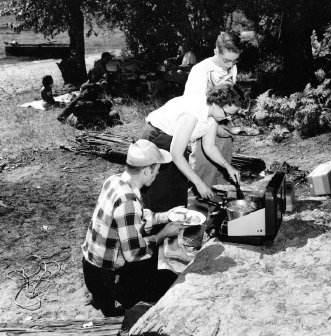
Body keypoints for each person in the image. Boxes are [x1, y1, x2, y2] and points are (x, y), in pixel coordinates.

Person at [141, 83, 243, 262]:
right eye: (228, 113)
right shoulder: (192, 115)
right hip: (158, 139)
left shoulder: (212, 114)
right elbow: (175, 154)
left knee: (178, 199)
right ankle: (154, 254)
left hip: (175, 143)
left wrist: (228, 166)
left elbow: (209, 146)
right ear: (216, 103)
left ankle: (172, 248)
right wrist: (199, 183)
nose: (230, 117)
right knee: (160, 199)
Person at [82, 139, 184, 317]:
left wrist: (167, 216)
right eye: (157, 171)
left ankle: (105, 296)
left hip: (92, 266)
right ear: (147, 170)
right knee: (168, 282)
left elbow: (137, 218)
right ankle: (112, 303)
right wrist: (165, 233)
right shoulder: (128, 200)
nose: (157, 175)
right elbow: (134, 253)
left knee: (154, 257)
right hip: (105, 276)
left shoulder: (115, 181)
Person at [182, 31, 244, 250]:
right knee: (202, 187)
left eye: (234, 60)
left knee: (222, 181)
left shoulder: (231, 68)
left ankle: (215, 226)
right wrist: (214, 129)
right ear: (215, 51)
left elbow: (227, 102)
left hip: (220, 134)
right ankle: (191, 240)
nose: (229, 65)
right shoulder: (200, 71)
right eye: (226, 59)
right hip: (201, 135)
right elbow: (196, 109)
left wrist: (227, 126)